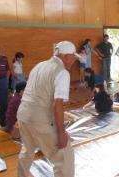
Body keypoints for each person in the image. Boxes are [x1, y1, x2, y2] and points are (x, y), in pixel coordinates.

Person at [17, 41, 78, 177]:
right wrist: (61, 133)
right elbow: (57, 104)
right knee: (64, 155)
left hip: (23, 115)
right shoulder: (62, 72)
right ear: (66, 56)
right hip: (40, 119)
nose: (74, 60)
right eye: (73, 56)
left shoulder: (40, 65)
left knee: (27, 149)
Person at [0, 47, 10, 128]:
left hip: (3, 81)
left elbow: (7, 69)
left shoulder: (4, 59)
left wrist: (6, 80)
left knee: (4, 102)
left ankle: (3, 122)